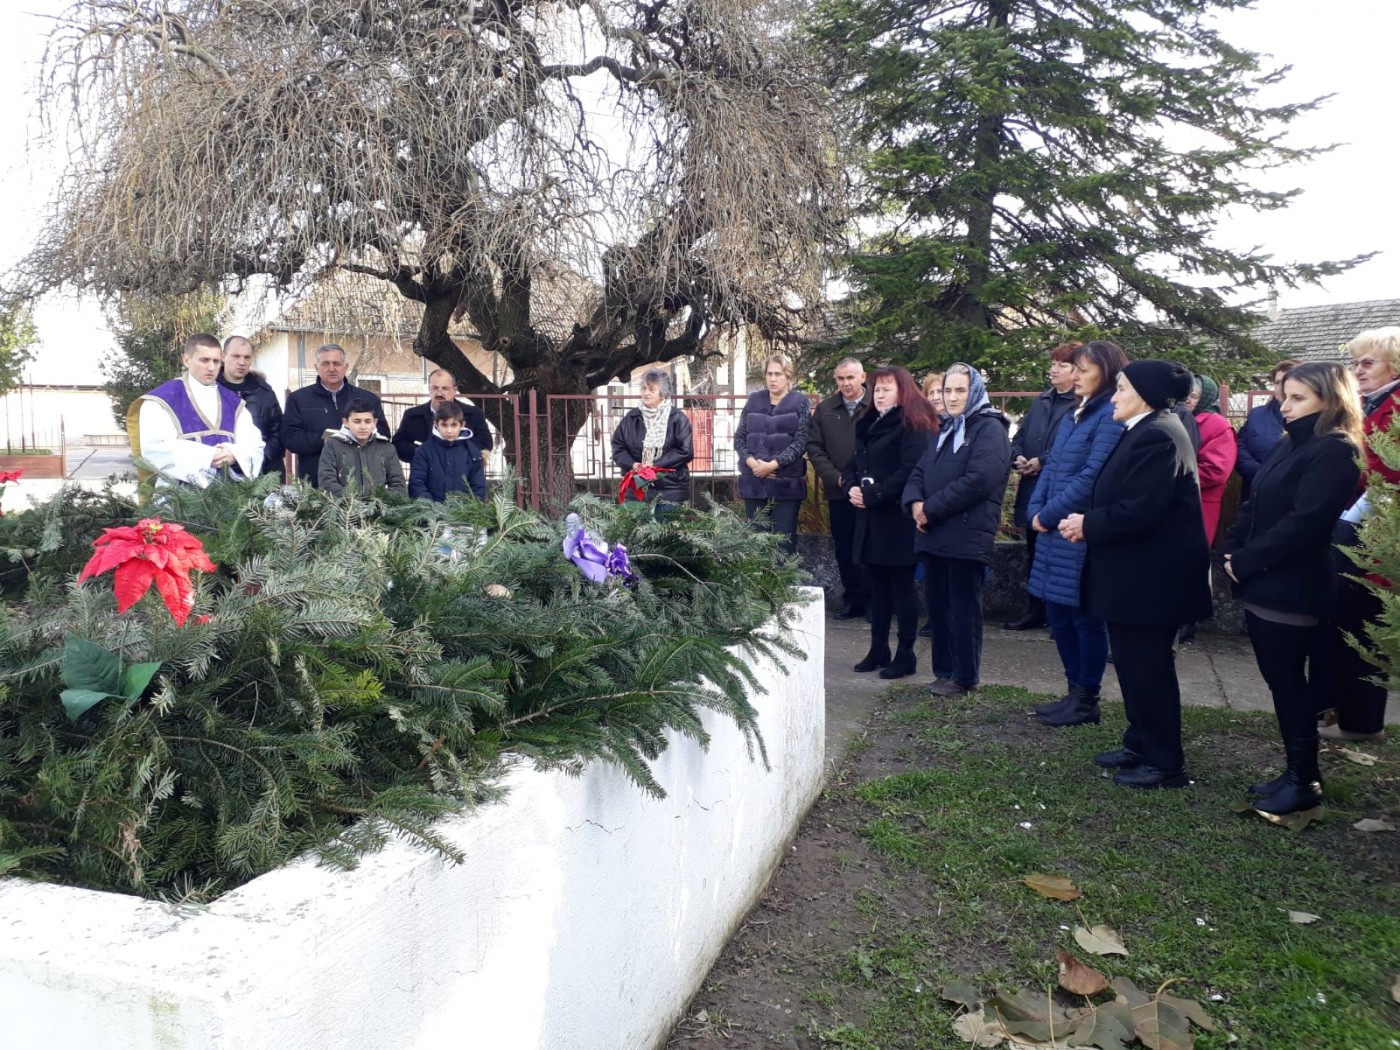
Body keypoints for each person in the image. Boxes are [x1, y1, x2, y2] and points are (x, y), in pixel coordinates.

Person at [1059, 361, 1211, 789]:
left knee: (1149, 668)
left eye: (1122, 388)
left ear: (1145, 395)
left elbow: (1141, 509)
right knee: (1132, 664)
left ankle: (1165, 762)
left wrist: (1087, 524)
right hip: (1135, 576)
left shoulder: (1159, 435)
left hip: (1153, 580)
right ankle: (1140, 743)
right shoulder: (1143, 429)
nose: (1114, 395)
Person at [1224, 362, 1364, 816]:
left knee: (1289, 685)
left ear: (1331, 399)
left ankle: (1303, 780)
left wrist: (1246, 561)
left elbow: (1306, 523)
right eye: (1285, 396)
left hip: (1292, 585)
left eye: (1298, 398)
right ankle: (1297, 773)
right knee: (1280, 681)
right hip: (1265, 579)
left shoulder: (1335, 449)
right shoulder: (1293, 441)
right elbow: (1255, 501)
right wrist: (1232, 549)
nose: (1285, 406)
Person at [1026, 340, 1128, 727]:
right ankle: (1073, 691)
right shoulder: (1074, 413)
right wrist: (1035, 510)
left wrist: (1048, 514)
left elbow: (1092, 477)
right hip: (1055, 529)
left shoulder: (1109, 416)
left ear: (1107, 373)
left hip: (1076, 531)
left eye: (1084, 370)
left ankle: (1087, 698)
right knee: (1058, 615)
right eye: (1076, 369)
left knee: (1084, 618)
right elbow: (1052, 468)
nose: (1076, 376)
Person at [1313, 329, 1400, 744]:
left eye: (1368, 363)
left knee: (1365, 624)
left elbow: (1385, 474)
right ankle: (1343, 712)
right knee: (1347, 621)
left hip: (1377, 534)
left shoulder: (1395, 406)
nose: (1358, 370)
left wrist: (1346, 518)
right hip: (1361, 526)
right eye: (1356, 363)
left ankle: (1362, 723)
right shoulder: (1374, 402)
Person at [904, 363, 1011, 696]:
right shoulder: (947, 428)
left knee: (963, 608)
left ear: (974, 391)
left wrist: (930, 508)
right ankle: (945, 670)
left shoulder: (989, 428)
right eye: (947, 390)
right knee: (938, 605)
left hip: (966, 534)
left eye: (960, 390)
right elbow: (919, 471)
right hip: (935, 533)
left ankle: (965, 676)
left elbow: (980, 479)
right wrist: (915, 502)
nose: (951, 397)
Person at [844, 366, 938, 679]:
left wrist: (874, 494)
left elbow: (910, 471)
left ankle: (905, 653)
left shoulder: (913, 424)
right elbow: (853, 463)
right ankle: (878, 648)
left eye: (887, 389)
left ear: (903, 392)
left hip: (898, 519)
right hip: (871, 519)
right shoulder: (870, 422)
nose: (880, 395)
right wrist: (851, 487)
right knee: (877, 586)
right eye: (877, 389)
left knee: (902, 588)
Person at [1004, 342, 1080, 630]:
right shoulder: (1041, 401)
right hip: (1031, 488)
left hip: (1059, 491)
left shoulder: (1078, 405)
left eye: (1062, 365)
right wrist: (1019, 457)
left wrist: (1042, 461)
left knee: (1060, 555)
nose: (1054, 369)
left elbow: (1073, 446)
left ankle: (1058, 614)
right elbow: (1020, 436)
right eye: (1053, 363)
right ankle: (1036, 610)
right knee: (1034, 552)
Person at [137, 332, 263, 486]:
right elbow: (154, 448)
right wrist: (208, 456)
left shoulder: (234, 403)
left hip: (229, 494)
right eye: (204, 360)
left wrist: (234, 454)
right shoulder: (162, 400)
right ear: (186, 360)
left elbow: (254, 445)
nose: (211, 367)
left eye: (216, 361)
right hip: (177, 495)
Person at [808, 358, 872, 618]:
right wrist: (836, 478)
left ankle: (873, 602)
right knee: (844, 548)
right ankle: (853, 600)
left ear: (862, 377)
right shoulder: (825, 409)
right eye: (841, 378)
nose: (846, 383)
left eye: (851, 378)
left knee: (870, 548)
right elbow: (814, 447)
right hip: (839, 491)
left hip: (870, 493)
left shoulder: (876, 405)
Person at [735, 353, 810, 555]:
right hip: (754, 482)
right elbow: (739, 437)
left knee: (783, 544)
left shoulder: (800, 402)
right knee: (756, 545)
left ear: (788, 376)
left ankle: (784, 577)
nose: (773, 379)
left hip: (786, 484)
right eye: (769, 374)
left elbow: (801, 442)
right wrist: (754, 465)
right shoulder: (754, 400)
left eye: (778, 374)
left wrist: (773, 465)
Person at [282, 344, 389, 485]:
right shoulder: (299, 399)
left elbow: (384, 434)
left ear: (345, 367)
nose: (332, 369)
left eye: (336, 363)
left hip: (362, 480)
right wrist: (325, 441)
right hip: (317, 482)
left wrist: (355, 439)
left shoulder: (367, 399)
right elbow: (290, 438)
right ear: (316, 368)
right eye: (325, 364)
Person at [610, 368, 694, 507]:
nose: (646, 393)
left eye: (651, 389)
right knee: (634, 521)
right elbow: (618, 448)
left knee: (667, 522)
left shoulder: (677, 418)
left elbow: (685, 451)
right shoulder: (631, 418)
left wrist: (654, 466)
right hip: (637, 488)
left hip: (671, 489)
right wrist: (634, 465)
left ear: (663, 393)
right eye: (643, 388)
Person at [392, 368, 494, 465]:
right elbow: (398, 444)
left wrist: (456, 450)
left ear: (455, 390)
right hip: (424, 472)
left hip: (462, 472)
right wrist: (421, 452)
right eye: (435, 388)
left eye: (445, 388)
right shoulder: (412, 415)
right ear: (429, 389)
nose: (439, 393)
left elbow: (485, 443)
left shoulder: (473, 414)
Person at [218, 335, 285, 479]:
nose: (242, 362)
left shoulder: (265, 392)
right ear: (223, 356)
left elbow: (279, 433)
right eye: (236, 356)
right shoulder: (210, 390)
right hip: (220, 474)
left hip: (264, 474)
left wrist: (258, 459)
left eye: (247, 357)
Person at [1185, 374, 1237, 545]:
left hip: (1200, 503)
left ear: (1206, 398)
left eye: (1193, 396)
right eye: (1185, 394)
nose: (1187, 400)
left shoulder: (1218, 426)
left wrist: (1172, 476)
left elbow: (1216, 471)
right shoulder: (1178, 418)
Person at [319, 398, 408, 496]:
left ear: (375, 422)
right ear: (345, 422)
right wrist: (354, 500)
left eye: (368, 421)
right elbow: (326, 482)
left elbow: (399, 485)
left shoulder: (386, 447)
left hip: (380, 505)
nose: (363, 427)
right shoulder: (333, 445)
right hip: (343, 504)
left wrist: (378, 501)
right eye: (357, 421)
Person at [1236, 360, 1298, 500]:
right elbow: (1240, 446)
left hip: (1292, 495)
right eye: (1277, 382)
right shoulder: (1256, 415)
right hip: (1254, 491)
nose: (1281, 386)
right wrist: (1260, 473)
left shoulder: (1313, 418)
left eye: (1287, 380)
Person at [409, 401, 487, 502]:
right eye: (444, 425)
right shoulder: (424, 451)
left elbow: (478, 488)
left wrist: (469, 509)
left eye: (454, 425)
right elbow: (417, 483)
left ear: (462, 425)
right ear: (436, 424)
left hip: (464, 510)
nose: (449, 431)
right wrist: (431, 507)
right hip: (430, 510)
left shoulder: (472, 453)